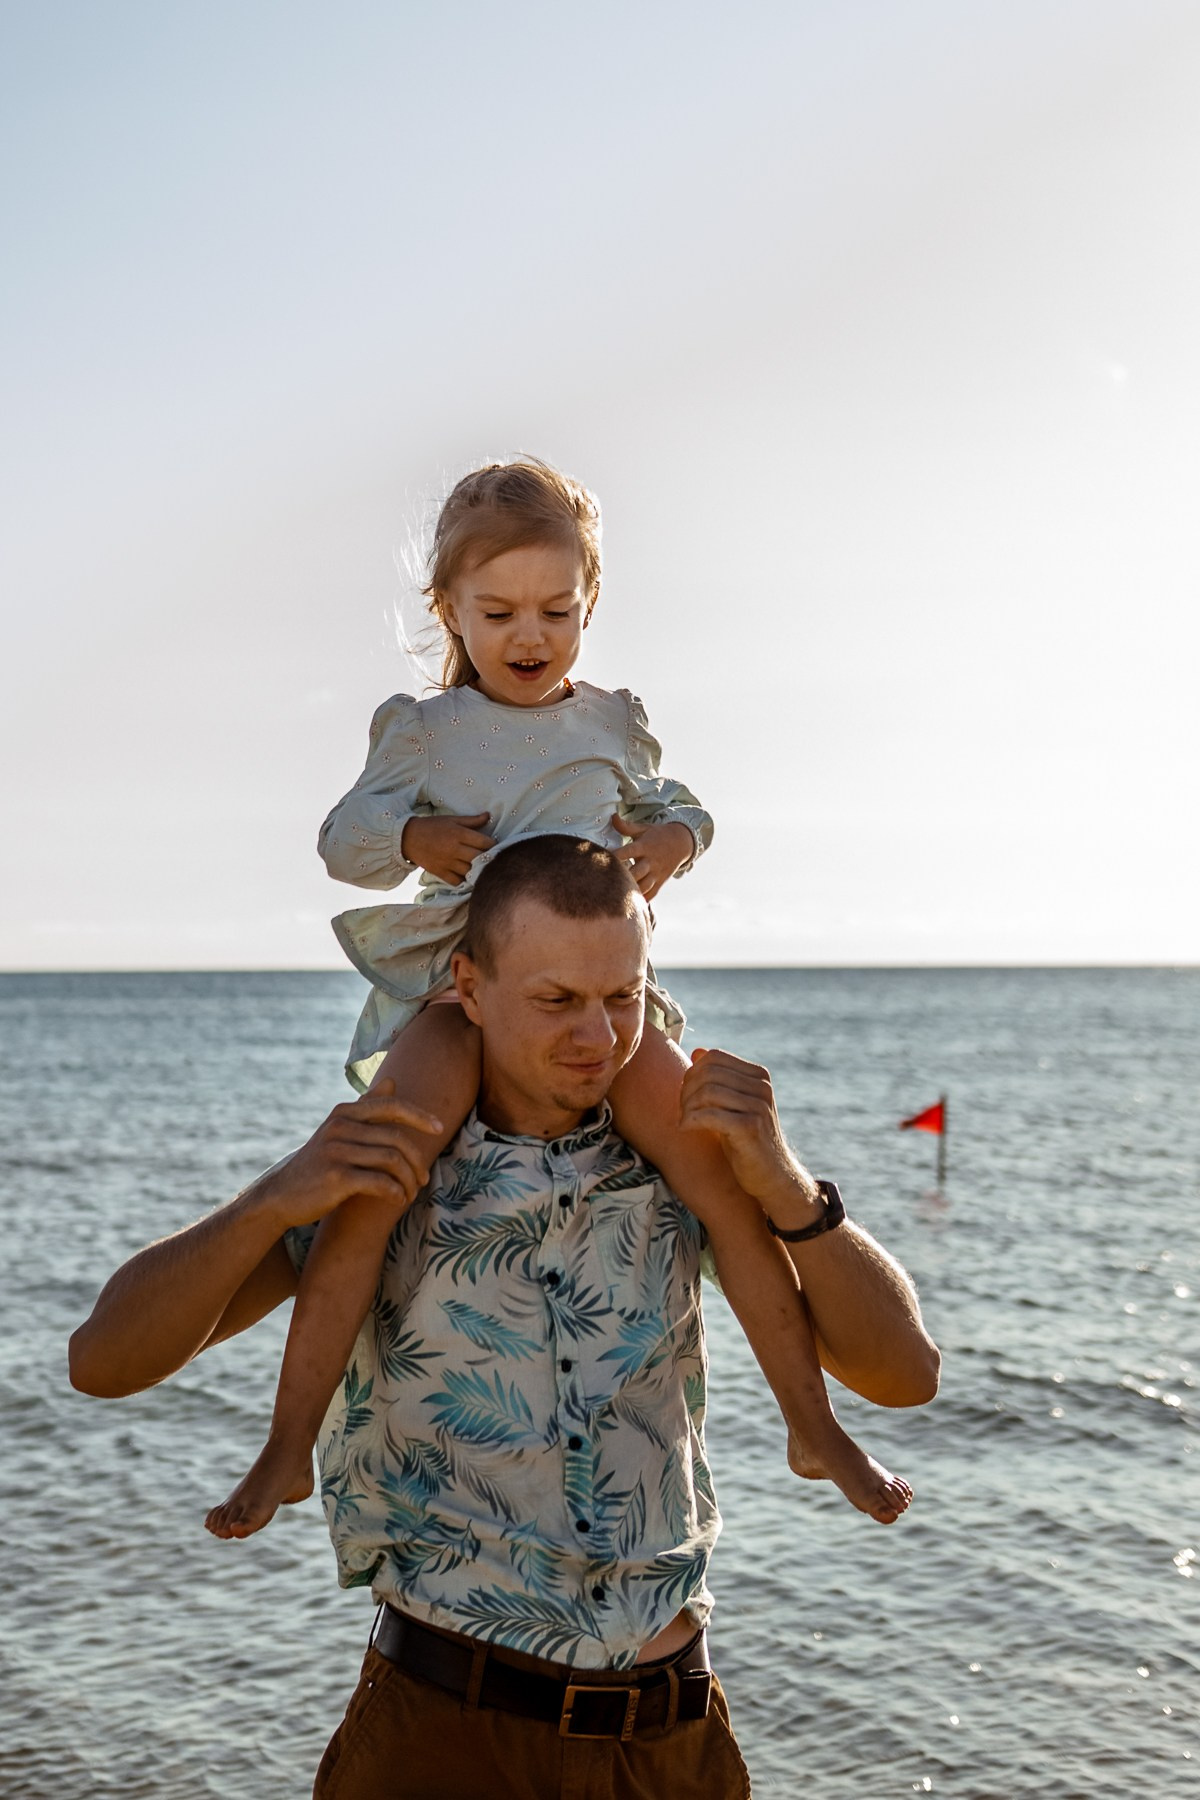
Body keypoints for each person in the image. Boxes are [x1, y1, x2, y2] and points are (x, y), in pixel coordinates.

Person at [69, 836, 940, 1800]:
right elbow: (104, 1361)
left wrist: (787, 1186)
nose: (597, 1039)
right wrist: (273, 1199)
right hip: (444, 1738)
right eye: (556, 1000)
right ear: (470, 988)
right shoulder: (385, 1180)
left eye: (622, 1000)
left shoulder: (690, 1173)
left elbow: (905, 1376)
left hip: (668, 1744)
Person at [204, 458, 915, 1543]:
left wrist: (676, 836)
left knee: (719, 1185)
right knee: (378, 1180)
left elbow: (683, 806)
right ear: (448, 610)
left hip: (597, 1000)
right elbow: (340, 842)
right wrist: (410, 839)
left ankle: (813, 1426)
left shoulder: (614, 720)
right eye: (497, 612)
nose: (529, 634)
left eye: (557, 609)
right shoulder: (425, 729)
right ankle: (288, 1444)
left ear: (590, 604)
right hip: (460, 990)